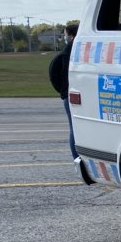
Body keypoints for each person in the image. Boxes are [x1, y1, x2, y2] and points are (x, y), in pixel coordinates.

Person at [48, 23, 78, 160]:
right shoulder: (75, 50)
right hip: (71, 93)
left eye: (65, 34)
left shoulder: (67, 51)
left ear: (71, 36)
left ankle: (77, 159)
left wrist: (63, 91)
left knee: (74, 129)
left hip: (69, 94)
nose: (64, 37)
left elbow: (57, 74)